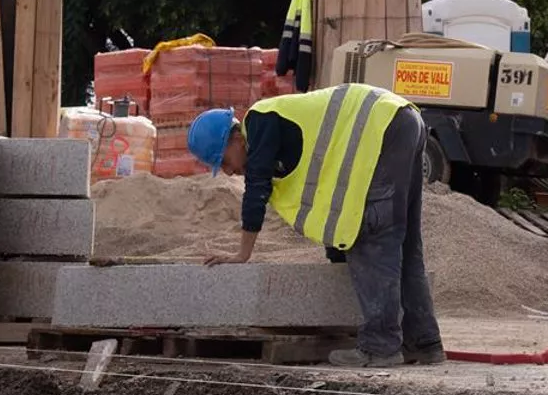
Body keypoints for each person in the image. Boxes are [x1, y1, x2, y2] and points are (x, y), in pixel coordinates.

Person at [187, 84, 443, 368]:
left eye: (223, 161)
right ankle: (424, 343)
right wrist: (336, 254)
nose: (229, 171)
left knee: (370, 236)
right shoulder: (278, 130)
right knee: (404, 244)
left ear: (235, 139)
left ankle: (380, 347)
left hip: (382, 127)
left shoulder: (260, 122)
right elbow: (327, 198)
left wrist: (242, 254)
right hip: (400, 120)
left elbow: (256, 191)